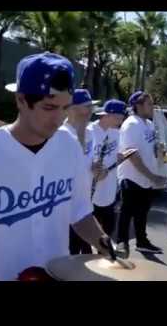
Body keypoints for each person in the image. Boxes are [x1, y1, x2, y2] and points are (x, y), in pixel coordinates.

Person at [0, 52, 110, 281]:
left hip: (57, 276)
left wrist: (105, 244)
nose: (59, 118)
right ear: (20, 100)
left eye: (65, 107)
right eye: (49, 107)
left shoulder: (68, 145)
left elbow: (80, 214)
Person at [116, 91, 166, 257]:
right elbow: (132, 155)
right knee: (127, 211)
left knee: (142, 212)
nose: (152, 107)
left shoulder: (149, 124)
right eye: (149, 104)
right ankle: (121, 243)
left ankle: (142, 242)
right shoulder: (131, 124)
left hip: (147, 177)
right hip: (131, 177)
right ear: (138, 106)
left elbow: (148, 149)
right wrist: (152, 176)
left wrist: (158, 150)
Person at [60, 88, 98, 255]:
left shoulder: (90, 132)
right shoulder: (61, 134)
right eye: (86, 106)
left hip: (84, 202)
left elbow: (88, 162)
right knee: (70, 252)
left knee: (84, 251)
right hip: (65, 206)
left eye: (92, 106)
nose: (91, 110)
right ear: (72, 109)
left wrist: (96, 169)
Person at [89, 99, 128, 238]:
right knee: (89, 233)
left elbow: (118, 155)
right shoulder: (90, 131)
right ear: (106, 115)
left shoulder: (116, 133)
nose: (121, 121)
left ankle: (104, 255)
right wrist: (94, 171)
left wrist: (120, 158)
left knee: (108, 229)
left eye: (122, 118)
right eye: (118, 117)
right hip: (90, 192)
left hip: (109, 190)